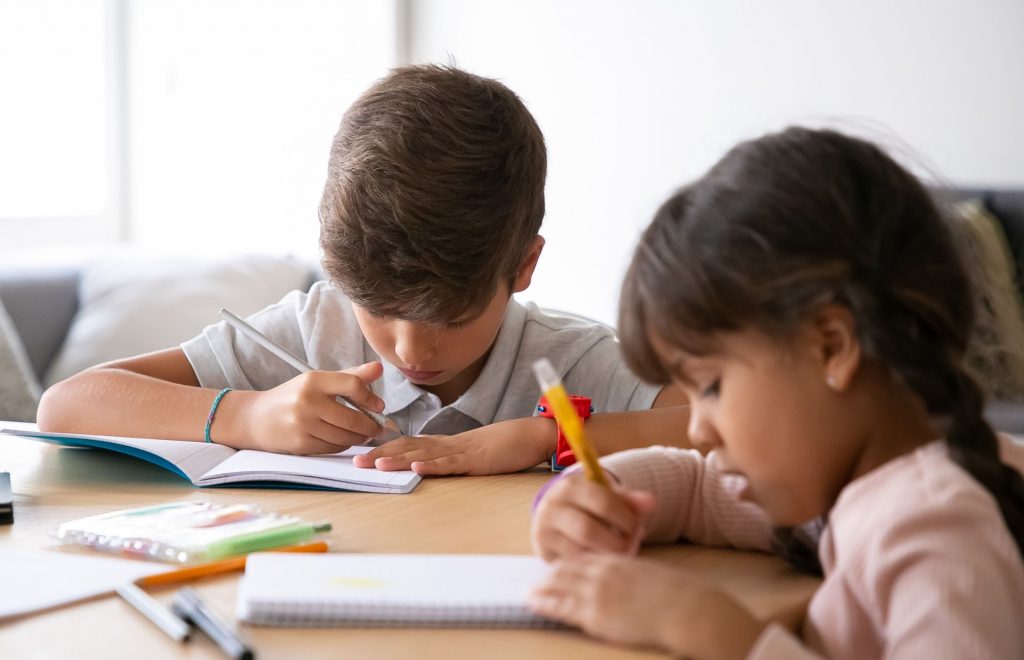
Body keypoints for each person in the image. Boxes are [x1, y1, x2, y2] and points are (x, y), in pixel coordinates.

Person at [528, 127, 1024, 660]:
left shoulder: (935, 526)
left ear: (830, 346)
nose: (698, 430)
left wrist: (710, 630)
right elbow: (701, 488)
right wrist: (588, 495)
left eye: (711, 387)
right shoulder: (854, 484)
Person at [37, 64, 687, 474]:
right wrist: (245, 415)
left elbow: (729, 432)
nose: (410, 350)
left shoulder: (572, 361)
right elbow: (67, 405)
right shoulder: (313, 331)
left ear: (523, 266)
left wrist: (546, 438)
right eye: (377, 307)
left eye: (450, 316)